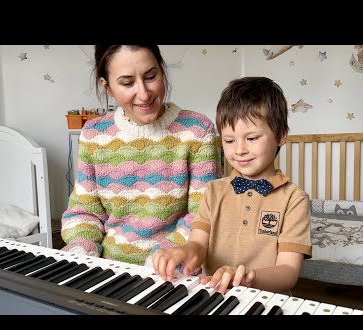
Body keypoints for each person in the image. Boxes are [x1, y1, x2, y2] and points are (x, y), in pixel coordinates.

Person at [61, 45, 221, 265]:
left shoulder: (197, 130)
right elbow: (84, 211)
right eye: (127, 83)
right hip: (110, 268)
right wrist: (83, 249)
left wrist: (161, 257)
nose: (144, 94)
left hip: (174, 269)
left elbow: (203, 216)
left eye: (151, 76)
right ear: (106, 87)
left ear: (162, 72)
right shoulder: (94, 134)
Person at [152, 76, 312, 294]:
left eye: (252, 138)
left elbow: (288, 272)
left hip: (264, 302)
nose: (239, 150)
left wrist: (249, 277)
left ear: (281, 135)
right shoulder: (213, 191)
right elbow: (198, 245)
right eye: (229, 140)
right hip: (212, 295)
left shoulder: (294, 199)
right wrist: (184, 252)